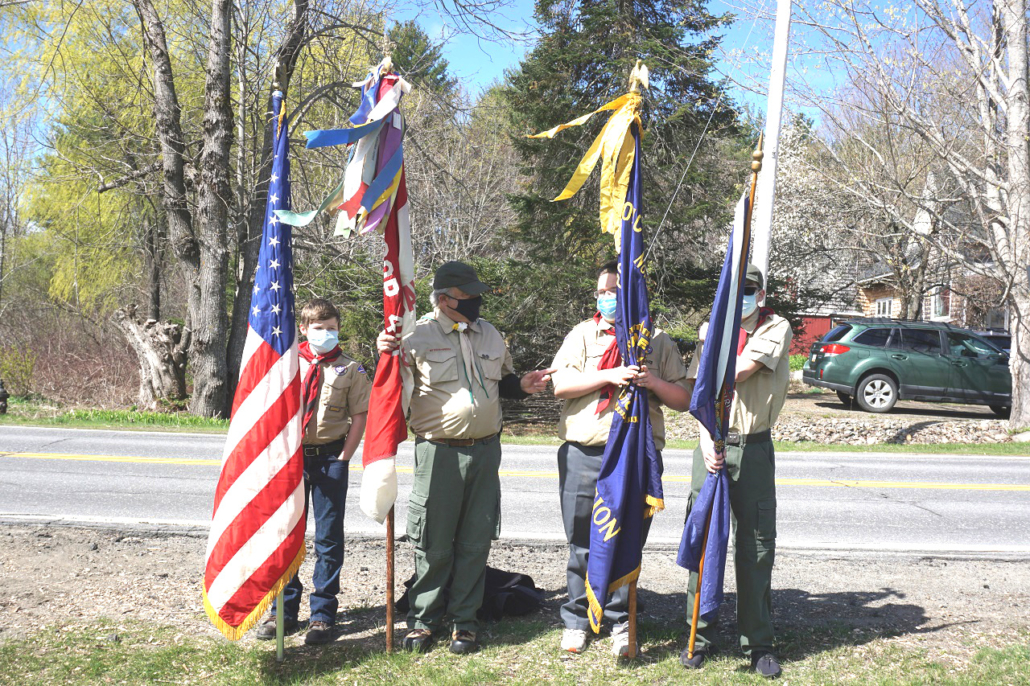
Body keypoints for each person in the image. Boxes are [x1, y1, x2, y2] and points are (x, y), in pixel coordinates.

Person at [376, 261, 554, 655]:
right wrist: (384, 350)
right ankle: (424, 621)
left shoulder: (490, 334)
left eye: (476, 295)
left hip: (486, 451)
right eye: (468, 296)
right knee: (433, 543)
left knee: (475, 542)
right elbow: (389, 386)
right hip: (438, 452)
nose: (476, 302)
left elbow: (502, 382)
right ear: (444, 299)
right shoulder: (414, 337)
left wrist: (522, 386)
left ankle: (465, 623)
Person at [550, 261, 692, 658]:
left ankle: (618, 618)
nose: (606, 298)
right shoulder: (583, 334)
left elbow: (683, 401)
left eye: (614, 291)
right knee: (582, 540)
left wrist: (653, 382)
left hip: (635, 458)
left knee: (627, 537)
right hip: (585, 452)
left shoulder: (657, 342)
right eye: (601, 292)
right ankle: (578, 619)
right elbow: (560, 384)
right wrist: (609, 375)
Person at [681, 263, 792, 679]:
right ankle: (697, 635)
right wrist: (706, 439)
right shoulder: (713, 328)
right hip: (711, 445)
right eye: (734, 290)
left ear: (760, 295)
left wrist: (715, 343)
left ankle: (758, 643)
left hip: (752, 448)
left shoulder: (774, 327)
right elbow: (699, 391)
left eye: (749, 290)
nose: (742, 297)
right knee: (704, 542)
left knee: (755, 547)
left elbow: (739, 372)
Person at [256, 298, 370, 645]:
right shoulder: (288, 363)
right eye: (319, 328)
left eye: (332, 328)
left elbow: (360, 416)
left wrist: (344, 458)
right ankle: (283, 611)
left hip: (329, 458)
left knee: (329, 538)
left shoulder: (351, 369)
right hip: (289, 460)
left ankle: (322, 615)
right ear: (303, 329)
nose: (326, 334)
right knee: (286, 534)